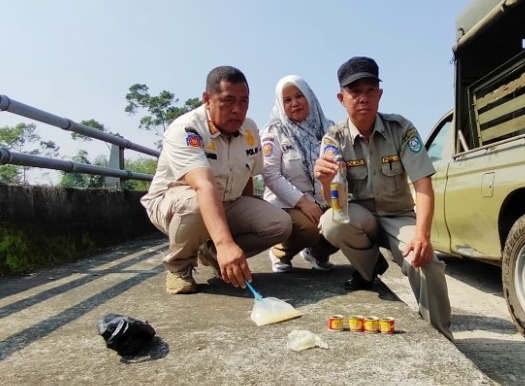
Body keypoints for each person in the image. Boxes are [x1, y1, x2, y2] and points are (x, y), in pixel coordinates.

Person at [313, 56, 453, 340]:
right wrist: (327, 181)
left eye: (370, 90)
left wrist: (423, 235)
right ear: (342, 98)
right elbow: (334, 202)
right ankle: (370, 267)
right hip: (361, 217)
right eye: (355, 91)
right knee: (331, 222)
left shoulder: (400, 129)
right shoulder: (333, 139)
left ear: (379, 93)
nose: (363, 97)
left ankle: (440, 336)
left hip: (398, 217)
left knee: (425, 261)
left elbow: (423, 184)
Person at [141, 65, 292, 294]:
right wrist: (226, 243)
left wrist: (236, 231)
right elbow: (204, 185)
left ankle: (210, 252)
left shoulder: (250, 130)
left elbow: (248, 178)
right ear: (207, 99)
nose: (237, 109)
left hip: (226, 201)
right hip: (175, 204)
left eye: (244, 101)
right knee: (196, 205)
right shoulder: (186, 130)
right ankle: (179, 267)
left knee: (280, 224)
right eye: (228, 100)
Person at [261, 74, 338, 273]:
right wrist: (303, 202)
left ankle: (317, 253)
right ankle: (280, 253)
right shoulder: (273, 131)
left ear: (309, 97)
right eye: (287, 100)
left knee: (346, 222)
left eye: (299, 96)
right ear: (280, 103)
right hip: (287, 204)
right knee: (309, 228)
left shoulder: (330, 129)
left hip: (324, 199)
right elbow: (270, 174)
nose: (294, 103)